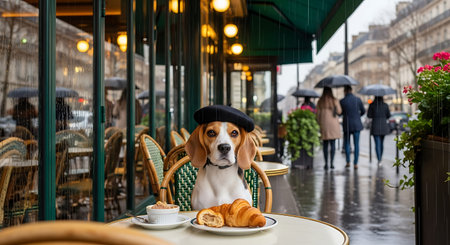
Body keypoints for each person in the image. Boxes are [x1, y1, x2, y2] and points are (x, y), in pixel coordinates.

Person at [340, 85, 365, 169]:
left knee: (347, 143)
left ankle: (348, 161)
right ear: (351, 90)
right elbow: (363, 111)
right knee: (356, 144)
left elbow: (340, 113)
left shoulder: (342, 101)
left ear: (345, 91)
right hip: (357, 124)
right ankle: (355, 163)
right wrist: (357, 116)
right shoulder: (358, 100)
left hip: (347, 124)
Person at [316, 87, 342, 170]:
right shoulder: (334, 100)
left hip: (324, 123)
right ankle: (332, 163)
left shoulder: (320, 101)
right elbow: (339, 111)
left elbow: (317, 114)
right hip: (333, 123)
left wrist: (319, 122)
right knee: (333, 144)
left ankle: (326, 163)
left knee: (325, 144)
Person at [367, 96, 391, 164]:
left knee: (377, 143)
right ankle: (380, 158)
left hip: (375, 126)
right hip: (383, 126)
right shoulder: (385, 105)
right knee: (381, 143)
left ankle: (379, 159)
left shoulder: (372, 105)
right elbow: (388, 115)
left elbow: (369, 115)